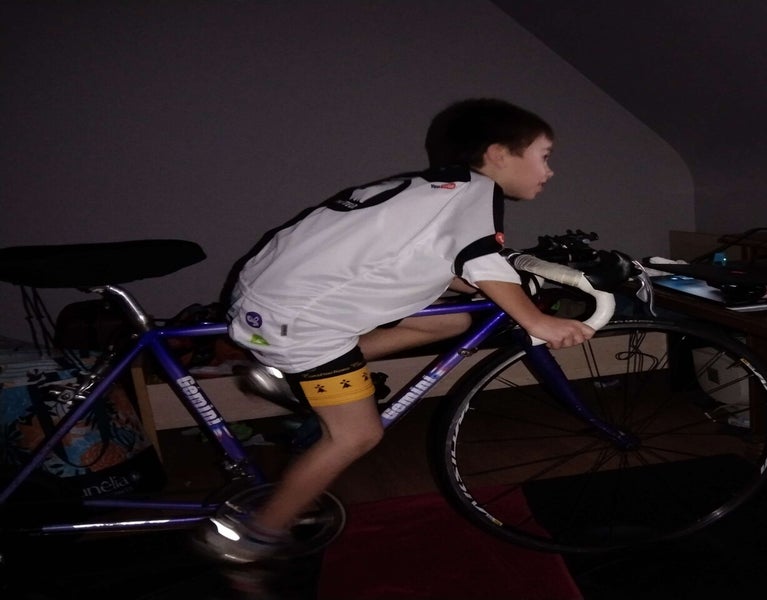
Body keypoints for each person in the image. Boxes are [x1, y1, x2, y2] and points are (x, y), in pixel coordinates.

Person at [197, 98, 595, 564]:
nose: (550, 170)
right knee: (356, 436)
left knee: (450, 320)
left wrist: (494, 282)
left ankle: (290, 377)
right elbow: (481, 260)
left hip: (270, 306)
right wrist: (539, 321)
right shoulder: (474, 192)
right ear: (499, 154)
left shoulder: (430, 188)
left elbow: (430, 257)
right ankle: (256, 536)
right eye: (544, 156)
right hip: (302, 323)